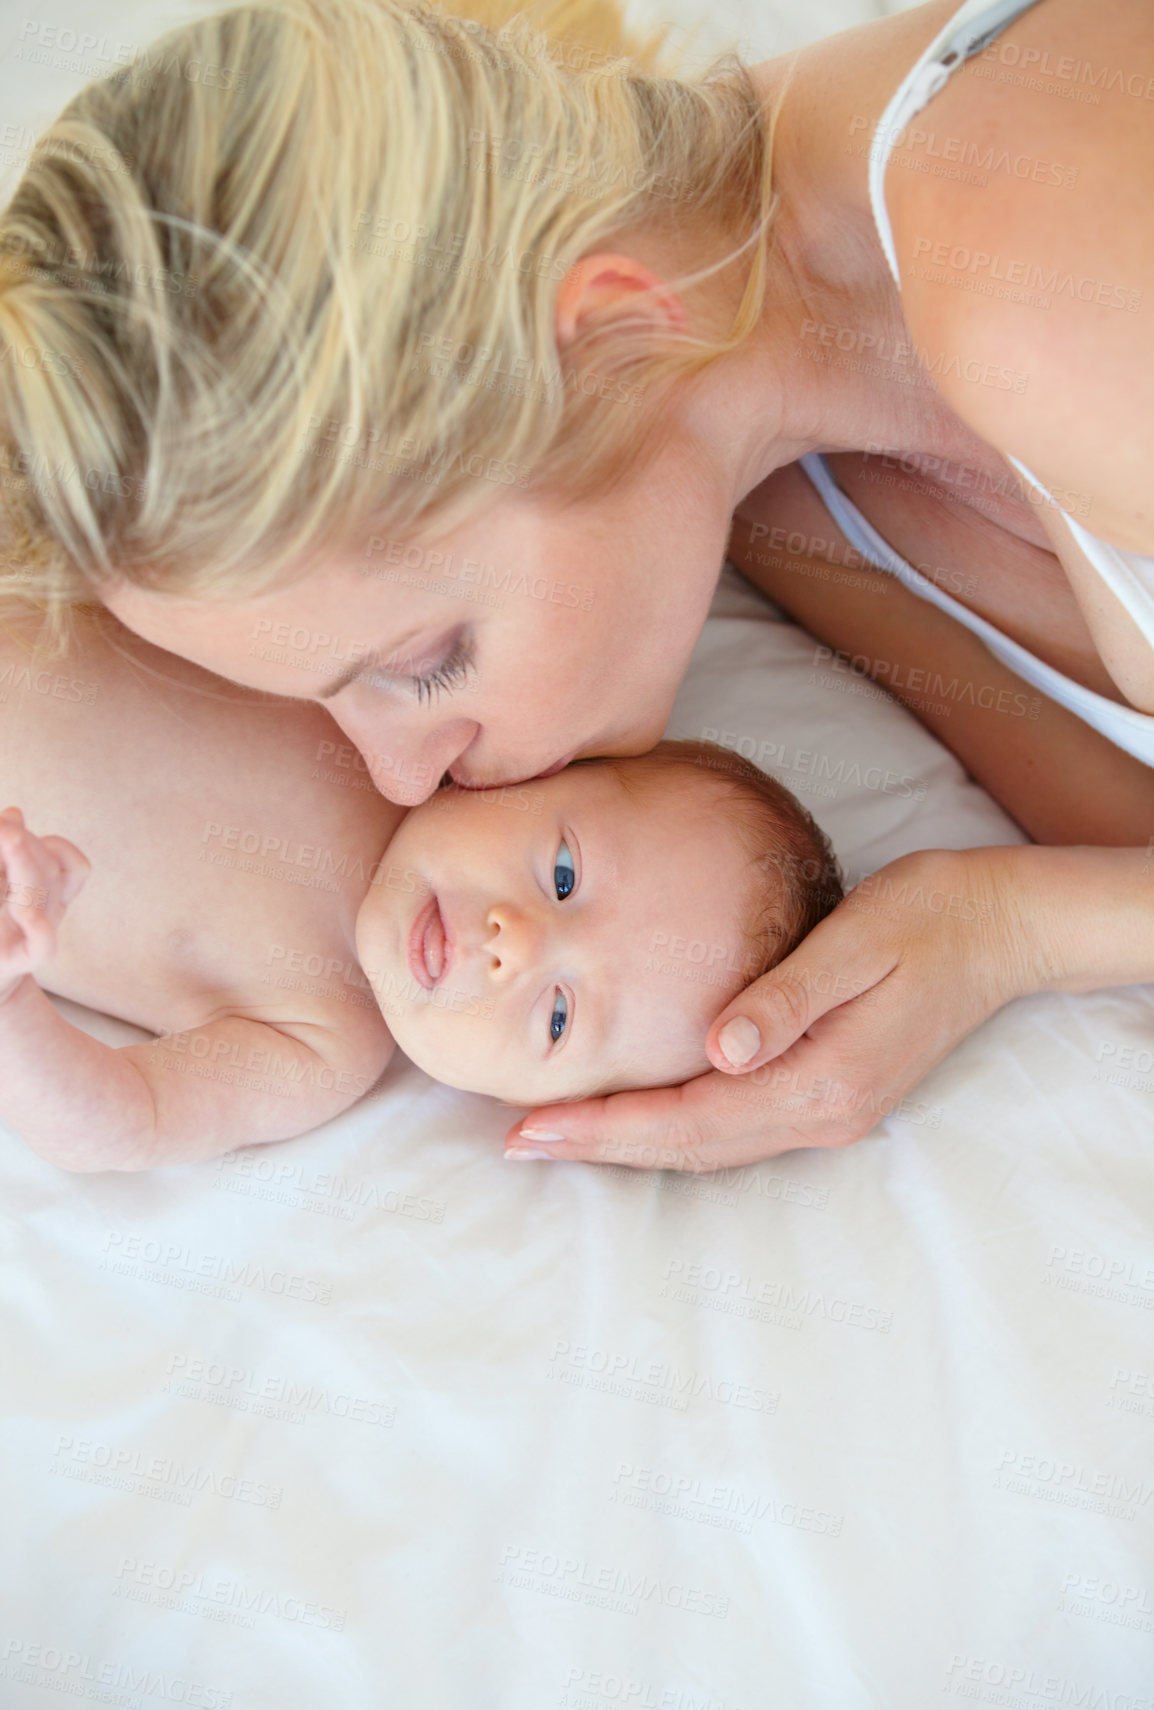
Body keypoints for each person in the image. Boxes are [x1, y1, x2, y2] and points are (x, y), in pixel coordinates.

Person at [0, 0, 1151, 1170]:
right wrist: (983, 927)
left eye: (420, 662)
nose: (400, 776)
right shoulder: (770, 494)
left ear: (607, 333)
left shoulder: (1035, 270)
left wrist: (1017, 929)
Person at [0, 608, 841, 1168]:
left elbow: (122, 1121)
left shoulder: (316, 1046)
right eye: (562, 875)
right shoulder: (391, 699)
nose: (515, 942)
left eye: (559, 1016)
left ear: (545, 1102)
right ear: (541, 769)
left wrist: (11, 1002)